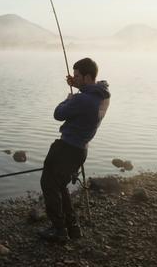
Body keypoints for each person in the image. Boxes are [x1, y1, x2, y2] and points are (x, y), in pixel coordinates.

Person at [39, 57, 110, 242]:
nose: (74, 78)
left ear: (87, 77)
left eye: (77, 76)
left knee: (49, 184)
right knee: (60, 186)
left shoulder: (81, 100)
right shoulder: (102, 95)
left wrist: (68, 98)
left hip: (67, 148)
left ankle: (59, 230)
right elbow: (93, 89)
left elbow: (58, 114)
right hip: (80, 150)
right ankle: (73, 228)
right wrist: (77, 86)